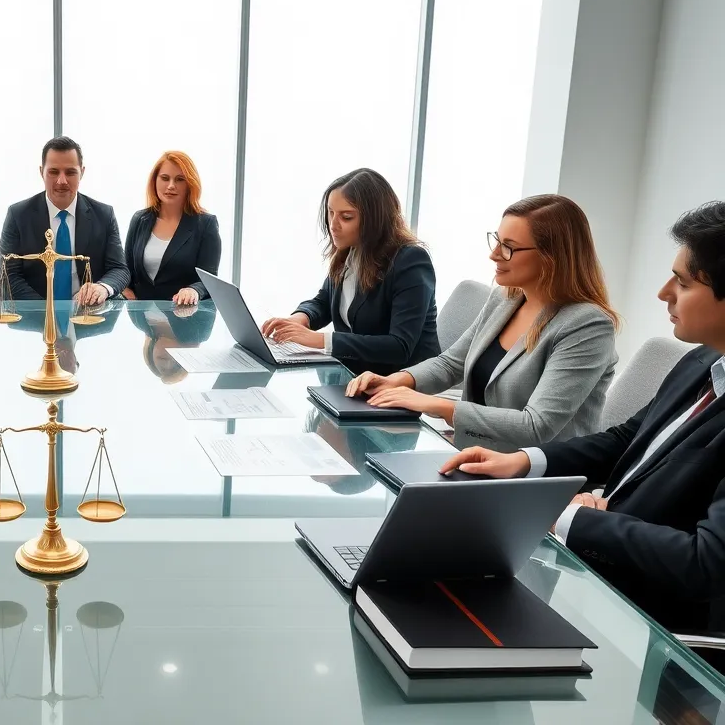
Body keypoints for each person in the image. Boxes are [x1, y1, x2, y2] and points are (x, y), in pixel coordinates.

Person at [439, 202, 725, 634]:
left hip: (654, 623)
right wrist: (524, 462)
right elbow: (628, 438)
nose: (663, 293)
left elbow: (705, 563)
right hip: (603, 565)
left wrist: (573, 516)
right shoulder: (702, 361)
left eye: (682, 283)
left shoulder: (587, 324)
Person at [345, 194, 619, 452]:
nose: (494, 254)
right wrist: (396, 381)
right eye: (497, 241)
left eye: (509, 247)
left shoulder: (587, 326)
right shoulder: (506, 299)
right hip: (476, 456)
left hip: (536, 476)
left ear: (552, 258)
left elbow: (537, 426)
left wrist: (437, 405)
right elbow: (452, 362)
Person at [260, 168, 440, 376]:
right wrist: (300, 319)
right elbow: (324, 301)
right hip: (358, 374)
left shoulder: (410, 261)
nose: (333, 225)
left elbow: (399, 346)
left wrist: (320, 340)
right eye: (330, 213)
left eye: (346, 217)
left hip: (405, 383)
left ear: (375, 220)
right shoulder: (350, 251)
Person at [0, 136, 130, 305]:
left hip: (87, 316)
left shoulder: (104, 214)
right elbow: (10, 277)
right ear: (41, 172)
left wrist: (102, 288)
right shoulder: (18, 215)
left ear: (81, 172)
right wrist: (49, 315)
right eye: (53, 172)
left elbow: (119, 269)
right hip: (35, 318)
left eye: (70, 172)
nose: (62, 181)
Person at [122, 151, 222, 305]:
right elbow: (126, 269)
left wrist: (193, 290)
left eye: (180, 180)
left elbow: (209, 280)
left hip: (184, 317)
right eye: (164, 178)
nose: (170, 186)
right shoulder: (139, 219)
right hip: (142, 319)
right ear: (155, 180)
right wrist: (124, 289)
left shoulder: (206, 224)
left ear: (190, 184)